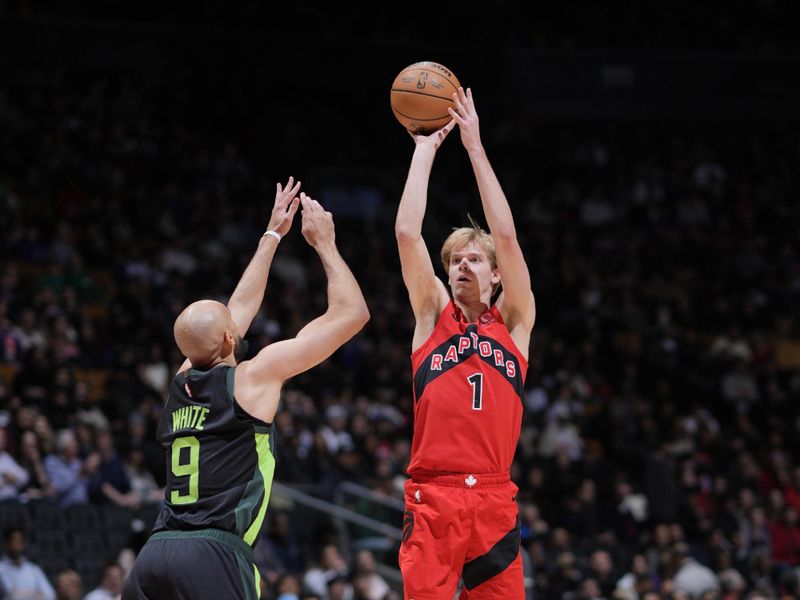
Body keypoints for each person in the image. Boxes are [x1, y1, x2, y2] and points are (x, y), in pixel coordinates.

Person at [123, 180, 369, 600]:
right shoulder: (253, 378)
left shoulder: (180, 382)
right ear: (229, 341)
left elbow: (233, 313)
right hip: (212, 555)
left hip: (155, 554)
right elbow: (351, 314)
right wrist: (324, 244)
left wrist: (272, 235)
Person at [394, 87, 536, 599]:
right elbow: (408, 234)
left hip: (495, 498)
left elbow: (507, 234)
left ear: (496, 275)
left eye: (473, 259)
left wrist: (475, 146)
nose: (461, 267)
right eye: (455, 260)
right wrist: (424, 149)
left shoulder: (515, 322)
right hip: (433, 496)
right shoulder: (432, 316)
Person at [0, 527, 56, 600]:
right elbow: (12, 596)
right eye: (14, 541)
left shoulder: (34, 569)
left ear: (23, 544)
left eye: (19, 542)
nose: (17, 546)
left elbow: (49, 595)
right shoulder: (1, 569)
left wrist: (20, 593)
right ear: (7, 544)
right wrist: (35, 594)